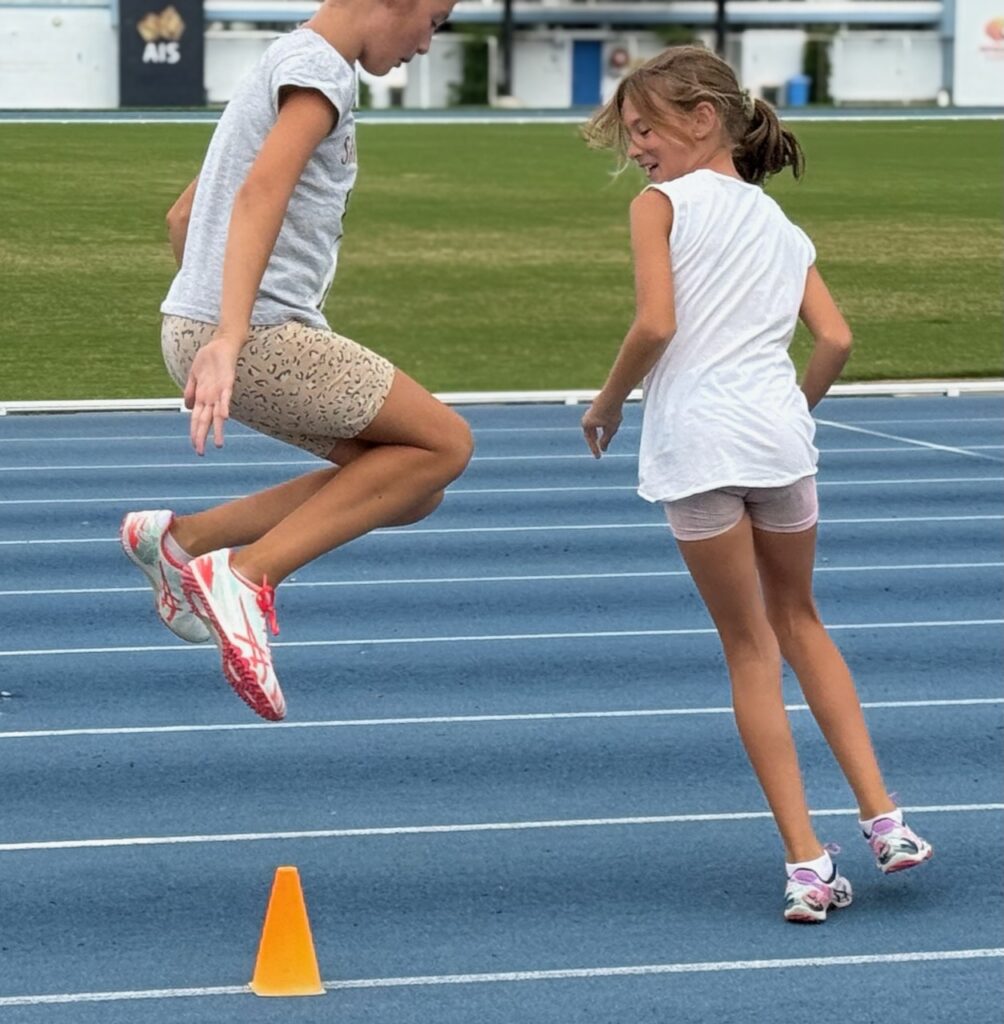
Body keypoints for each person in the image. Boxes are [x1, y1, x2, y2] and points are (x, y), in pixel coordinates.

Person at [579, 46, 932, 922]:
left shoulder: (659, 207)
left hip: (699, 448)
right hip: (780, 446)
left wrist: (608, 402)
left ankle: (808, 863)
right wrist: (792, 411)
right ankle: (884, 820)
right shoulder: (781, 226)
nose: (637, 152)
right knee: (803, 622)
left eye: (644, 131)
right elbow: (837, 339)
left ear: (702, 119)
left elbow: (656, 322)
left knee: (749, 651)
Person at [121, 0, 473, 723]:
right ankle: (246, 577)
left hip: (204, 325)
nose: (426, 45)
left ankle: (184, 540)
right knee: (447, 444)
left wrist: (206, 319)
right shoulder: (320, 70)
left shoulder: (282, 60)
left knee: (410, 487)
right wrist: (230, 335)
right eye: (433, 21)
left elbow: (184, 215)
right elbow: (262, 191)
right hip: (254, 334)